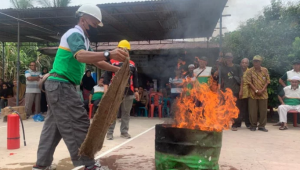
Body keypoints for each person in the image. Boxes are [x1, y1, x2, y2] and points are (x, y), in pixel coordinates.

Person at [33, 4, 128, 170]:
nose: (94, 27)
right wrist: (109, 53)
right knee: (78, 122)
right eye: (94, 23)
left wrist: (118, 70)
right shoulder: (74, 34)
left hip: (58, 85)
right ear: (83, 19)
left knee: (52, 129)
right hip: (61, 86)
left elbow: (95, 60)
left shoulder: (83, 38)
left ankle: (41, 165)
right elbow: (81, 56)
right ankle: (88, 165)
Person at [105, 40, 139, 140]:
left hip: (128, 92)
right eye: (122, 49)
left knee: (126, 113)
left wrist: (136, 91)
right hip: (114, 91)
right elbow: (106, 77)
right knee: (112, 112)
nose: (124, 51)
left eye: (126, 50)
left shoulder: (132, 64)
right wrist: (106, 90)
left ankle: (124, 132)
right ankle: (109, 133)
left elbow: (135, 78)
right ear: (118, 49)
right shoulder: (111, 61)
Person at [245, 55, 270, 132]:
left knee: (263, 111)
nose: (255, 63)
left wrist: (262, 90)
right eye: (254, 61)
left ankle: (262, 126)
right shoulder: (249, 71)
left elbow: (268, 81)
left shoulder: (265, 70)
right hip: (253, 94)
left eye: (257, 61)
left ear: (260, 62)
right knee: (252, 111)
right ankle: (253, 125)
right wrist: (256, 91)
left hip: (263, 94)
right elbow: (249, 82)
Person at [219, 53, 243, 131]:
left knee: (235, 108)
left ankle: (234, 124)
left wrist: (241, 90)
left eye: (230, 58)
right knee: (226, 108)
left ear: (232, 58)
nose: (228, 59)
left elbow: (241, 79)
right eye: (227, 58)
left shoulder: (237, 67)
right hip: (226, 91)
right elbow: (219, 78)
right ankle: (225, 123)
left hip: (236, 90)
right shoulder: (222, 68)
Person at [240, 58, 251, 128]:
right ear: (241, 63)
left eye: (246, 63)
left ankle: (248, 124)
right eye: (243, 62)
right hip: (239, 92)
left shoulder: (250, 71)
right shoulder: (238, 71)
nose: (244, 64)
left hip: (248, 93)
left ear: (248, 64)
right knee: (238, 109)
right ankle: (237, 123)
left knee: (247, 109)